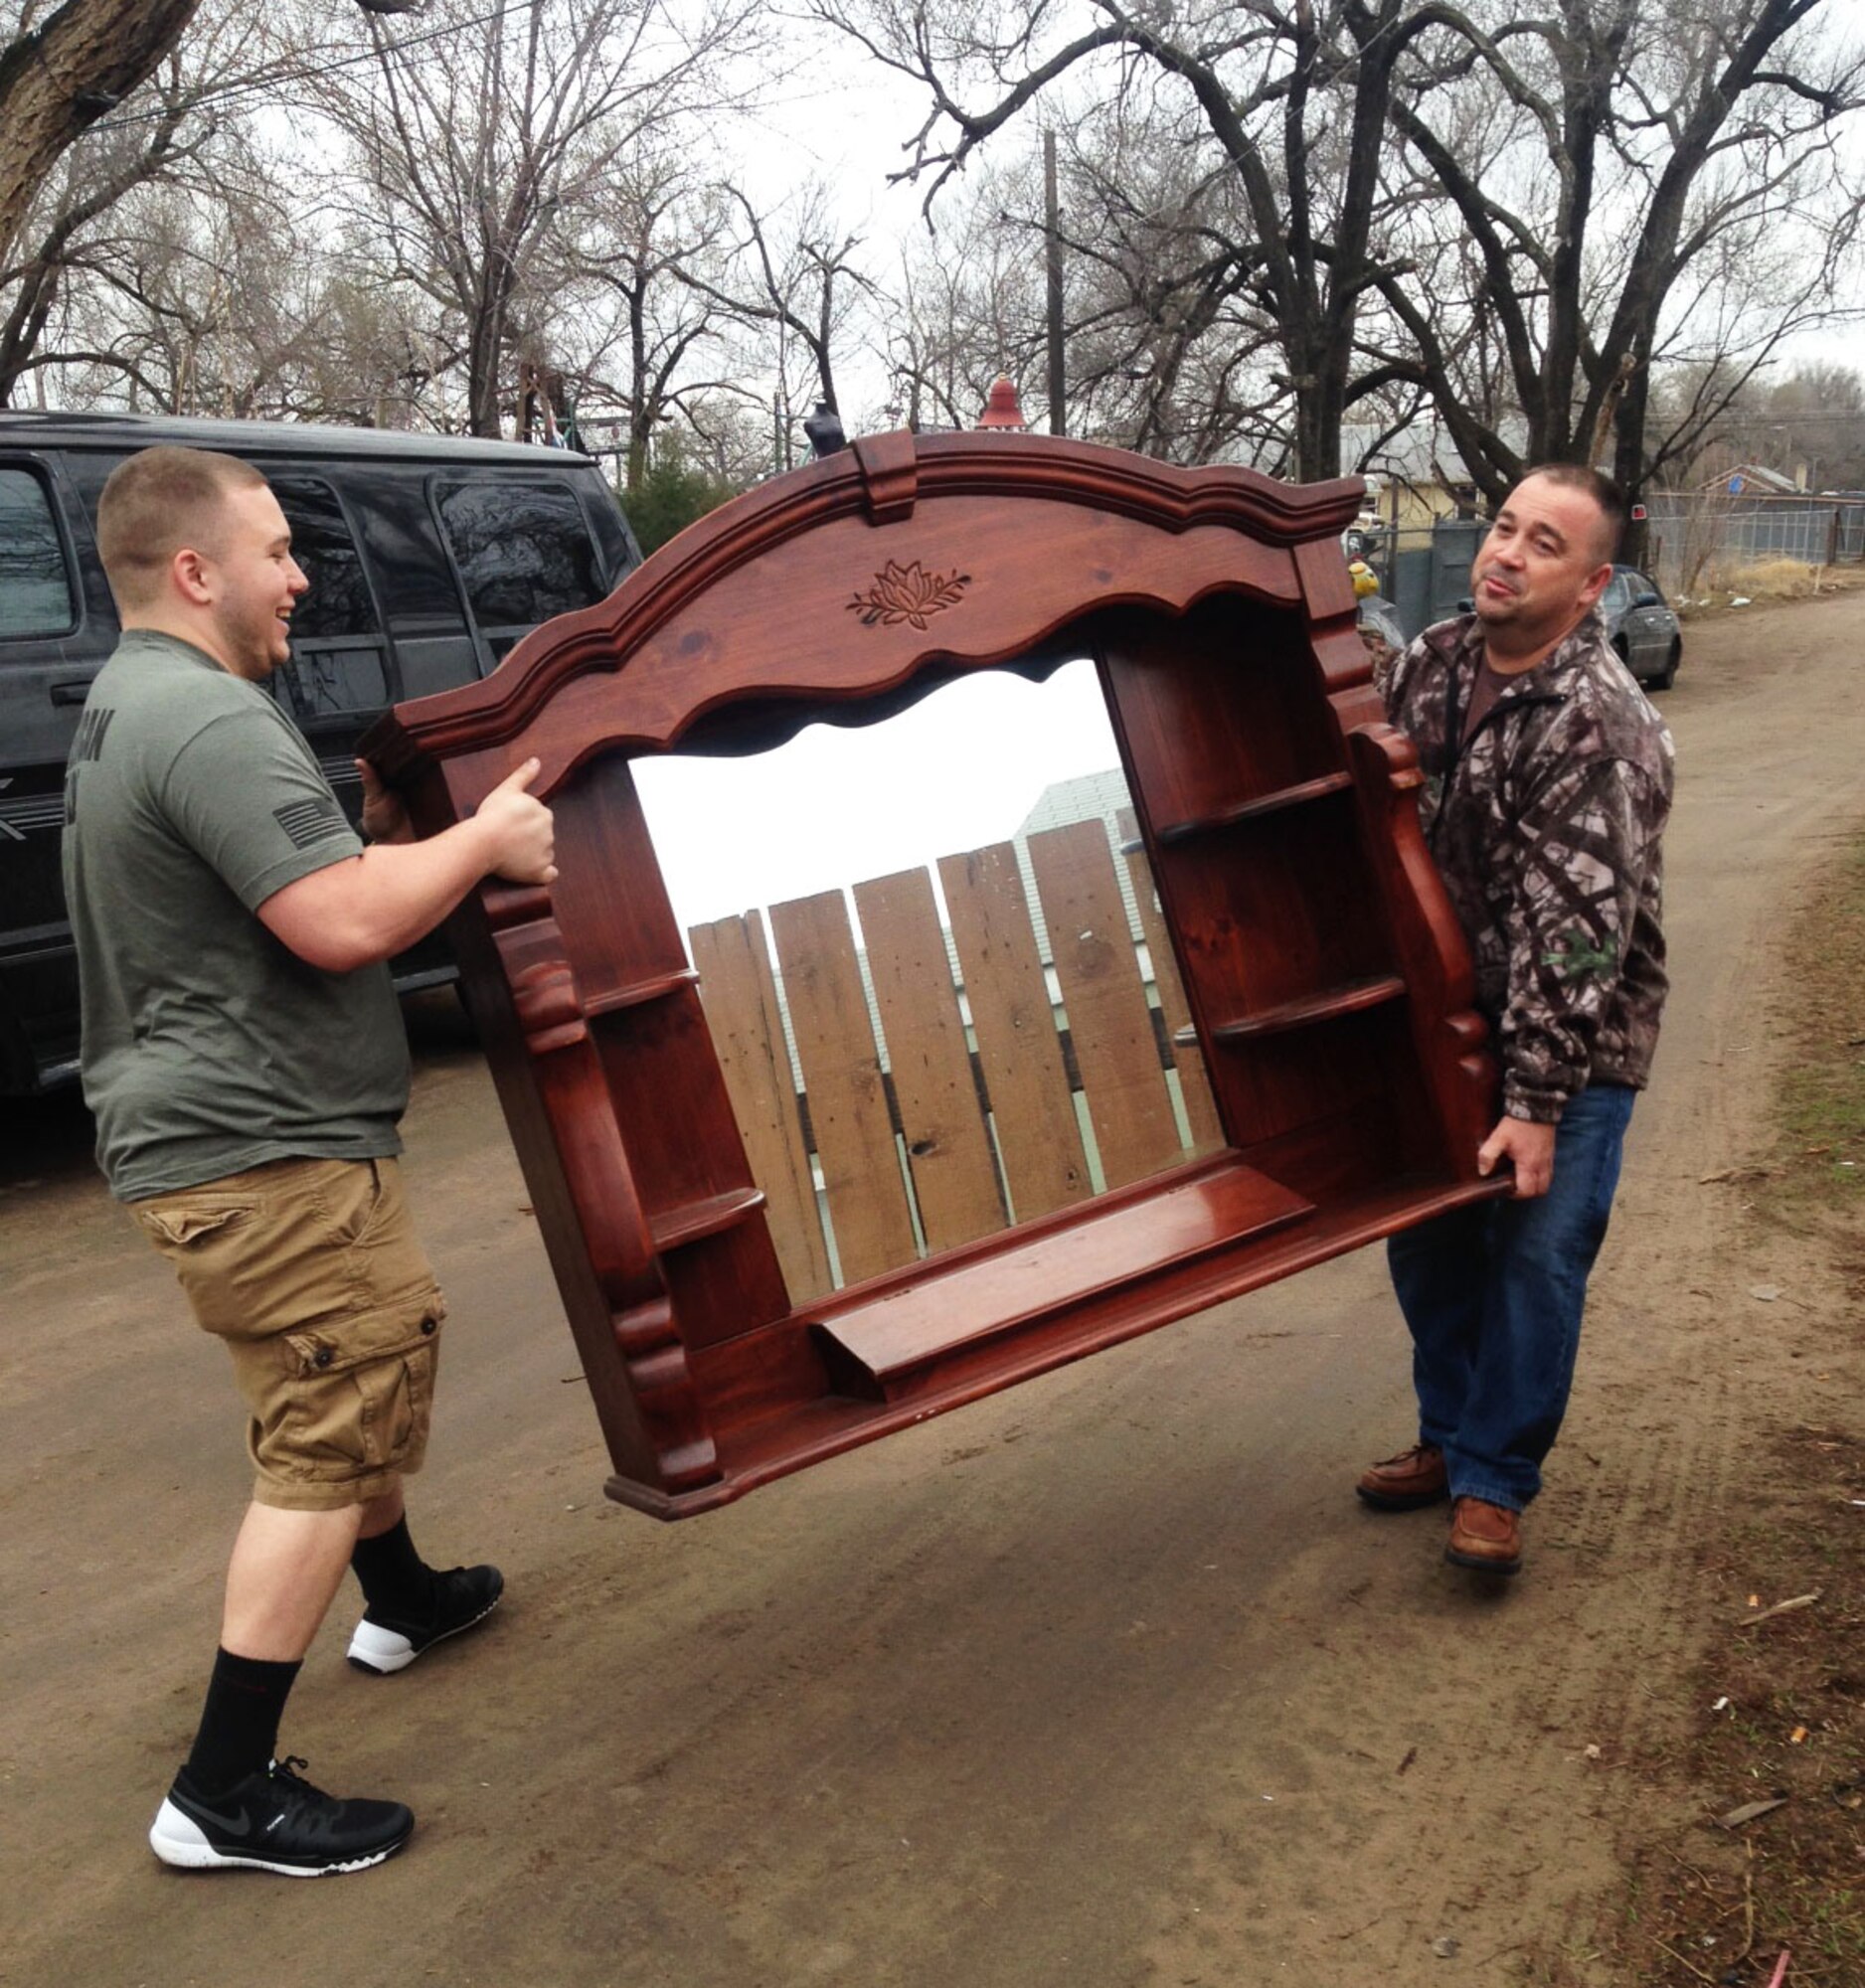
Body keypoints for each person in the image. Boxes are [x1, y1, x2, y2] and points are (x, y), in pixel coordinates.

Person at [62, 445, 558, 1875]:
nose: (301, 575)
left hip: (235, 1142)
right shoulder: (206, 721)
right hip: (257, 1153)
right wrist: (482, 840)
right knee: (328, 1429)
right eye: (275, 550)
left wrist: (394, 846)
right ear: (194, 570)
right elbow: (339, 923)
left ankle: (402, 1594)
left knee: (356, 1365)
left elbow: (284, 890)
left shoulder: (134, 704)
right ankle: (223, 1789)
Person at [1354, 465, 1673, 1578]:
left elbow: (1576, 935)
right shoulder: (1430, 664)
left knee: (1537, 1255)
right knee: (1430, 1237)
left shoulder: (1602, 724)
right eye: (1503, 527)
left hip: (1574, 1035)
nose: (1506, 553)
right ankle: (1450, 1437)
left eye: (1543, 544)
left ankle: (1494, 1478)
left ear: (1588, 589)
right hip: (1445, 1019)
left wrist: (1536, 1102)